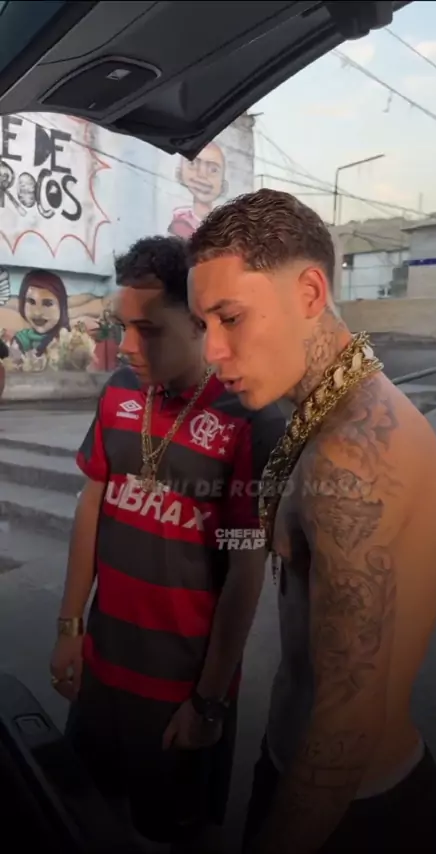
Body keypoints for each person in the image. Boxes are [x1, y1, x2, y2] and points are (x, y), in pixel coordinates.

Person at [187, 188, 436, 854]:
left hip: (349, 812)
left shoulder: (351, 457)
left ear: (309, 292)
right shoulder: (324, 416)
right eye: (202, 325)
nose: (212, 350)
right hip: (309, 776)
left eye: (230, 317)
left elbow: (347, 718)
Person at [49, 234, 285, 852]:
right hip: (101, 667)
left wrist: (208, 702)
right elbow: (92, 504)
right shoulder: (118, 391)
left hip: (180, 688)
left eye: (148, 329)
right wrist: (71, 625)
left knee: (171, 834)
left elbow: (246, 570)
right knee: (86, 812)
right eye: (123, 326)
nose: (127, 346)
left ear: (199, 321)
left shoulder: (252, 418)